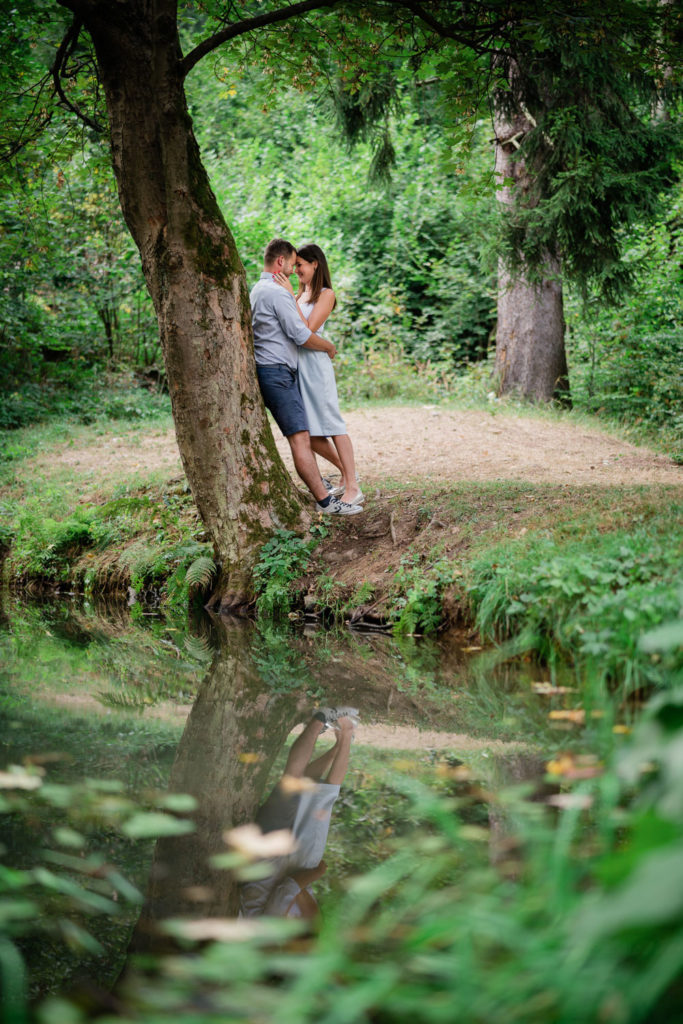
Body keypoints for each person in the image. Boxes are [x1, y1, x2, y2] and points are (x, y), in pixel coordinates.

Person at [250, 238, 362, 516]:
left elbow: (308, 328)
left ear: (315, 264)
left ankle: (352, 485)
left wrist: (327, 346)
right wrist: (292, 295)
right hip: (297, 366)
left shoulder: (325, 293)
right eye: (293, 264)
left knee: (333, 424)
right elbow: (297, 331)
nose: (295, 269)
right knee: (308, 431)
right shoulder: (292, 293)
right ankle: (344, 475)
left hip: (314, 363)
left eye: (300, 264)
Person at [239, 706, 359, 920]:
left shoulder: (268, 940)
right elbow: (302, 901)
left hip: (270, 857)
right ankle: (341, 737)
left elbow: (288, 888)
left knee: (304, 786)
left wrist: (317, 874)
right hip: (271, 858)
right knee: (309, 789)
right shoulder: (281, 940)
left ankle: (330, 723)